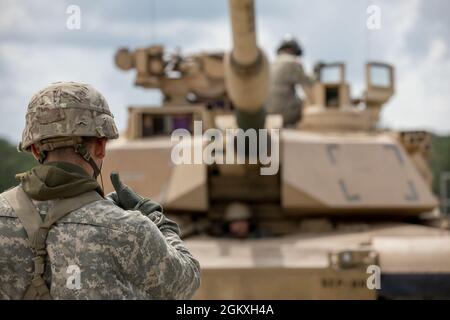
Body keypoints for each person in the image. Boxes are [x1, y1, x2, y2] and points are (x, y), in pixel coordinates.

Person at [0, 82, 200, 299]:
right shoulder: (129, 229)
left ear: (35, 149)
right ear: (100, 146)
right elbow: (186, 282)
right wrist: (156, 218)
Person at [265, 35, 318, 127]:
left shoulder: (270, 64)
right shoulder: (293, 62)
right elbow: (308, 87)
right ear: (294, 50)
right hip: (284, 114)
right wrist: (316, 74)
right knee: (306, 105)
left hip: (266, 113)